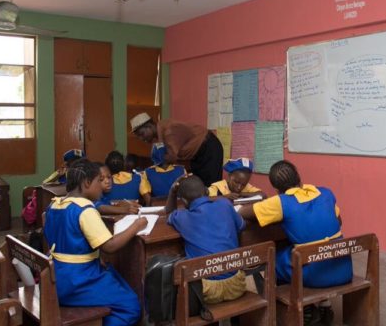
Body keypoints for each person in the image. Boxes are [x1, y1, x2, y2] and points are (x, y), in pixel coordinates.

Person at [240, 160, 352, 325]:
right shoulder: (326, 193)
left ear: (276, 189)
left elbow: (244, 212)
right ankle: (324, 304)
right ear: (299, 177)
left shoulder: (281, 202)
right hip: (343, 268)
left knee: (272, 260)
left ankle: (302, 310)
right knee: (293, 249)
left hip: (316, 276)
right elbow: (339, 221)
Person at [43, 158, 145, 326]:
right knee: (131, 306)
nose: (101, 185)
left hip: (55, 277)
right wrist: (136, 226)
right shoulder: (85, 210)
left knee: (115, 277)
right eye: (99, 180)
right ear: (87, 183)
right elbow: (110, 246)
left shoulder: (54, 206)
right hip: (77, 280)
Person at [165, 174, 246, 304]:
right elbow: (242, 225)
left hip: (206, 290)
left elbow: (168, 212)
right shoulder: (225, 204)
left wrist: (172, 191)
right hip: (237, 286)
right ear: (207, 191)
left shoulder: (182, 217)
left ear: (184, 202)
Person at [130, 112, 223, 187]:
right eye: (139, 137)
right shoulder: (159, 136)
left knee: (212, 187)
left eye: (142, 134)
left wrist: (151, 170)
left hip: (209, 148)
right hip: (197, 155)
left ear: (149, 126)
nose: (142, 139)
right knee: (200, 187)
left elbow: (171, 158)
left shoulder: (168, 131)